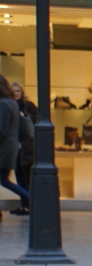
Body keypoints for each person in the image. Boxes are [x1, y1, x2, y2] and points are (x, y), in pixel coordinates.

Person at [0, 74, 31, 220]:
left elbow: (2, 130)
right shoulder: (11, 102)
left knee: (5, 181)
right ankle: (33, 201)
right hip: (9, 148)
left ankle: (33, 201)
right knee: (5, 180)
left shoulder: (4, 104)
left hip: (4, 149)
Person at [10, 80, 34, 215]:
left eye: (18, 91)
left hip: (26, 147)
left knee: (26, 177)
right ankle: (24, 205)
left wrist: (24, 116)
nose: (16, 94)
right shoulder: (9, 105)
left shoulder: (28, 106)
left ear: (22, 93)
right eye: (13, 91)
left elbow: (34, 122)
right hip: (15, 147)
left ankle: (30, 205)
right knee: (19, 177)